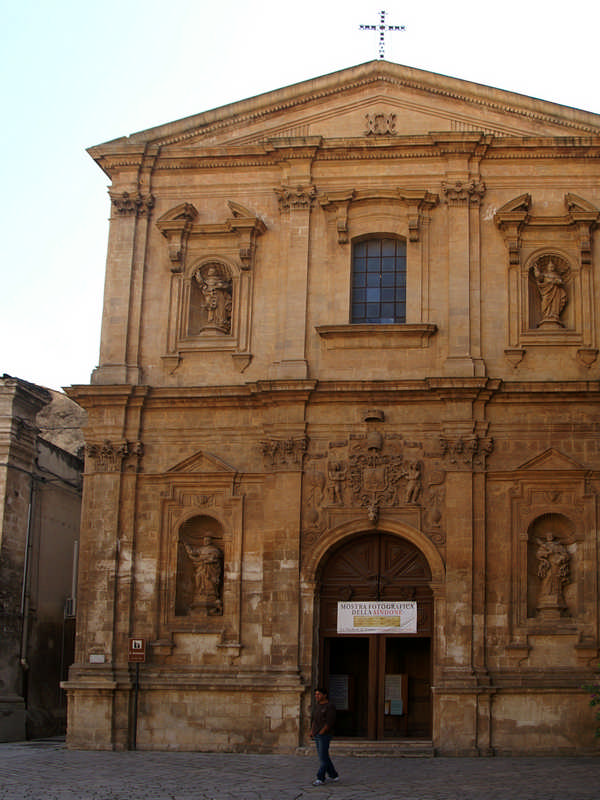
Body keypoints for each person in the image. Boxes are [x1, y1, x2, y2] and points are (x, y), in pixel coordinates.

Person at [310, 687, 339, 786]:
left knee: (323, 757)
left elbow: (330, 721)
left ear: (324, 695)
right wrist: (312, 731)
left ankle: (320, 778)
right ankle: (333, 775)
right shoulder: (318, 706)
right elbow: (314, 719)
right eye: (316, 694)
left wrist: (322, 731)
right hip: (318, 734)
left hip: (325, 735)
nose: (316, 696)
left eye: (318, 694)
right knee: (323, 756)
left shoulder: (330, 706)